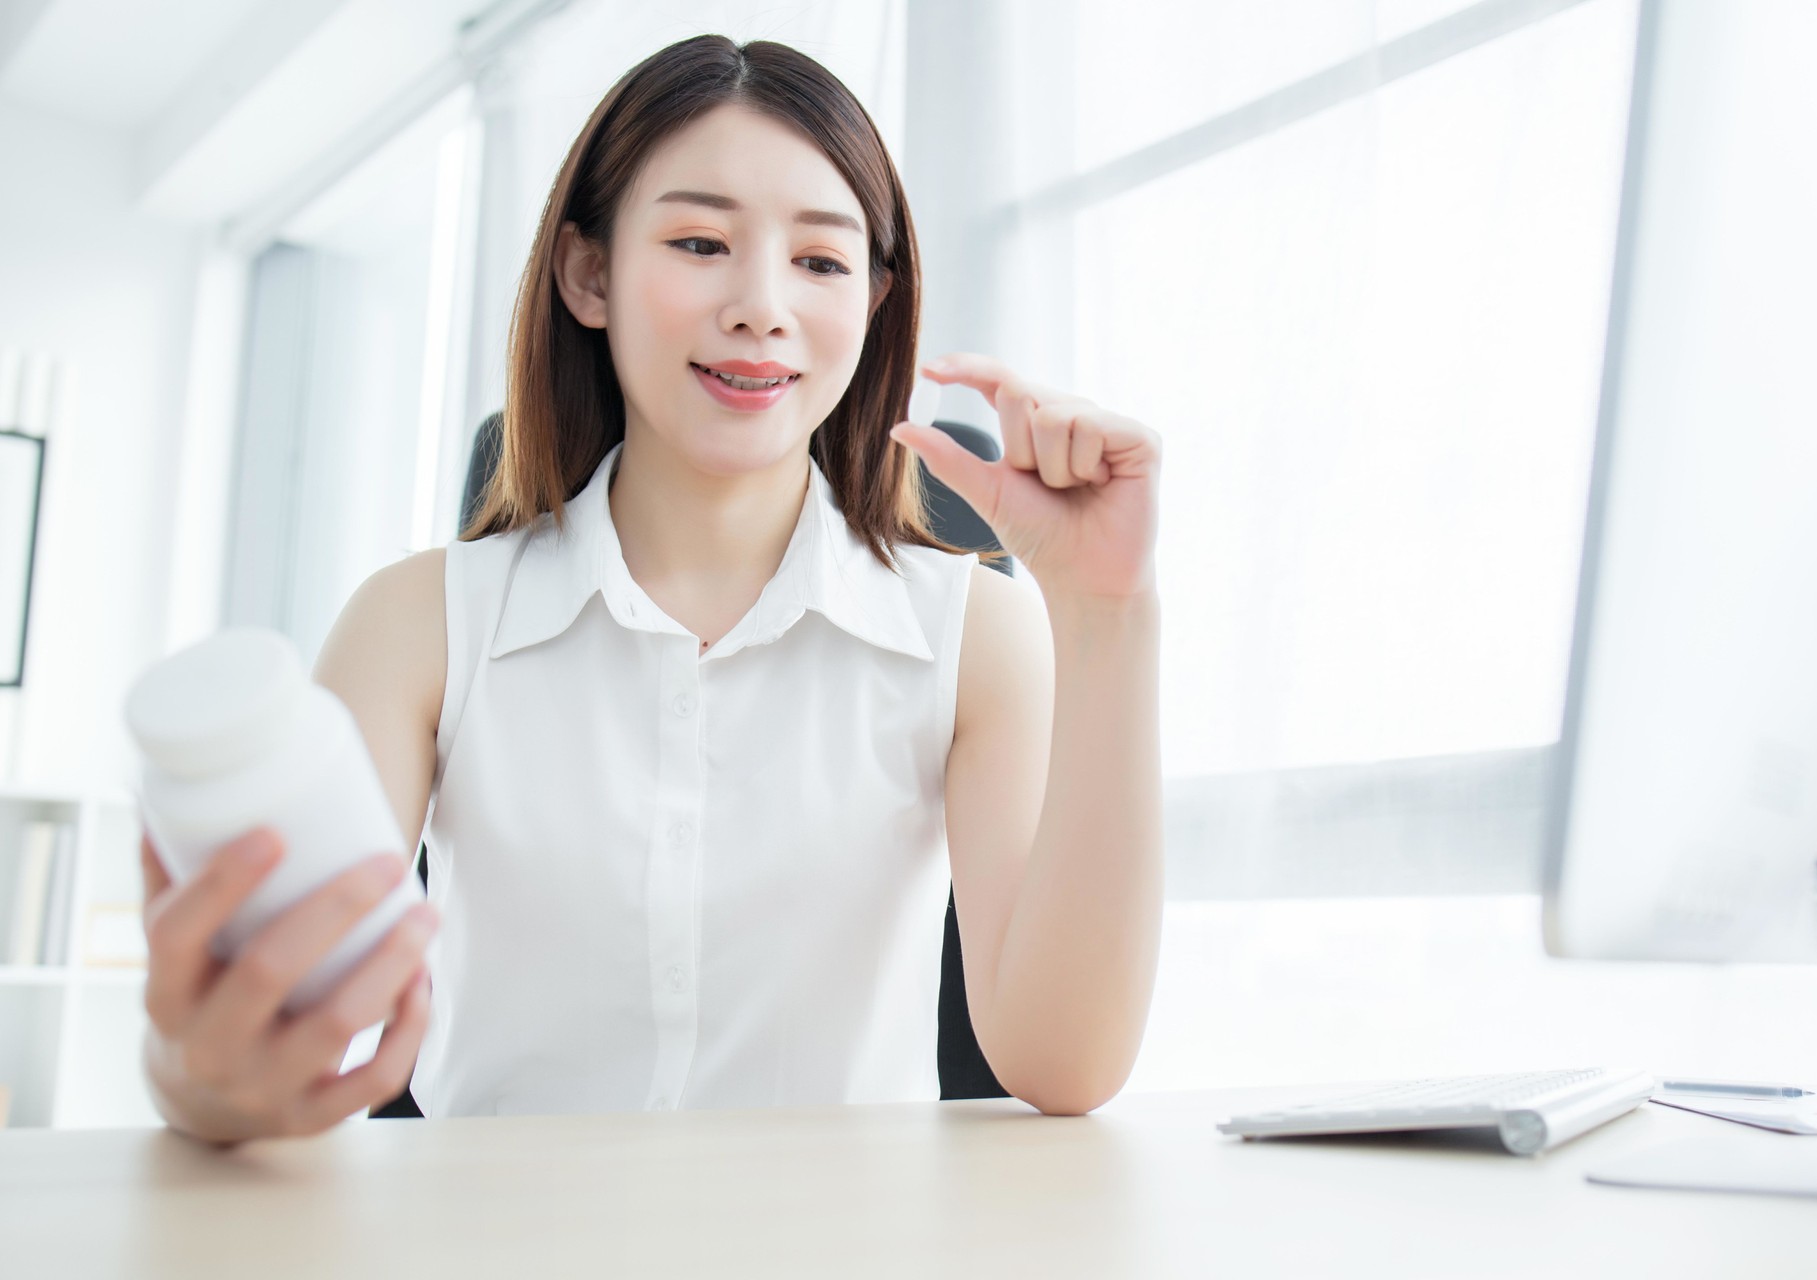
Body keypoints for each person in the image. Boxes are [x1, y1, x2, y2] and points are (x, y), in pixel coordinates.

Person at [137, 34, 1163, 1144]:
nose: (761, 304)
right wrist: (203, 1073)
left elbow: (1063, 1065)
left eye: (820, 262)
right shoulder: (417, 625)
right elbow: (280, 1026)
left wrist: (1107, 613)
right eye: (700, 241)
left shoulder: (977, 629)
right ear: (589, 273)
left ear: (870, 306)